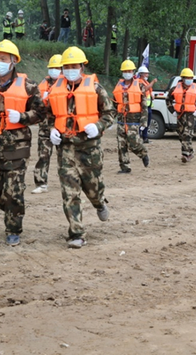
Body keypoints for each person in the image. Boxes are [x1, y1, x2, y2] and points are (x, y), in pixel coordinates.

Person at [0, 40, 46, 246]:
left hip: (17, 145)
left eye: (2, 59)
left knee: (14, 191)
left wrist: (21, 116)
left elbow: (41, 112)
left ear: (13, 61)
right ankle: (15, 210)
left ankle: (13, 228)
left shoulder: (28, 85)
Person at [47, 46, 116, 248]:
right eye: (66, 66)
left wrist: (98, 126)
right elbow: (50, 115)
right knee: (70, 193)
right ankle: (76, 233)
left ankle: (99, 202)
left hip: (89, 149)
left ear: (82, 67)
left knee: (93, 189)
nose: (70, 70)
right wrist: (52, 129)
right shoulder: (55, 90)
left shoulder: (96, 89)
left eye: (74, 66)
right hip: (66, 150)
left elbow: (110, 113)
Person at [31, 54, 63, 194]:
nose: (54, 70)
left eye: (57, 68)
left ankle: (67, 182)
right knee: (43, 155)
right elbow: (35, 106)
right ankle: (41, 183)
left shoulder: (68, 85)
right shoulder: (42, 85)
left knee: (65, 157)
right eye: (52, 68)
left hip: (62, 127)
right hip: (45, 127)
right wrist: (41, 101)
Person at [113, 60, 150, 173]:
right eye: (125, 71)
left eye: (129, 71)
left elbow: (144, 106)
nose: (127, 73)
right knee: (121, 144)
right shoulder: (119, 85)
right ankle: (125, 166)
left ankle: (143, 153)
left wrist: (144, 122)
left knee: (133, 142)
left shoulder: (139, 85)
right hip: (121, 120)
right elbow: (115, 104)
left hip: (134, 120)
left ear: (133, 72)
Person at [166, 68, 196, 163]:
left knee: (187, 134)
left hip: (191, 115)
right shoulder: (175, 89)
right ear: (182, 79)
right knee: (181, 134)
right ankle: (190, 151)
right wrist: (172, 111)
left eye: (191, 78)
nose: (189, 79)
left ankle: (185, 154)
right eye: (187, 78)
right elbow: (168, 99)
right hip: (180, 115)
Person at [136, 66, 156, 143]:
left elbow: (149, 89)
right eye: (146, 74)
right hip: (143, 106)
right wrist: (153, 82)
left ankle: (145, 138)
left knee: (147, 122)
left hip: (148, 105)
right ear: (141, 74)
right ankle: (139, 137)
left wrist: (152, 94)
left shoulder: (146, 81)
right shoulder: (139, 81)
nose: (147, 75)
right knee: (142, 122)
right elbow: (146, 88)